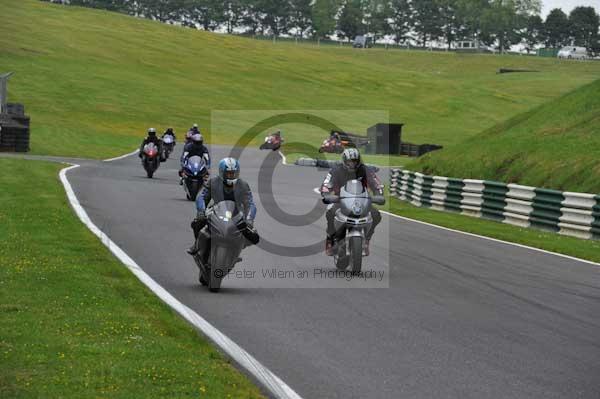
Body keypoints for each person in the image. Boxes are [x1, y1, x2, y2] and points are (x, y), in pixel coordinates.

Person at [187, 157, 259, 256]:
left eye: (233, 173)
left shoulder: (243, 185)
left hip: (236, 215)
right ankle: (196, 244)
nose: (231, 176)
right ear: (222, 172)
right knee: (197, 222)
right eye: (228, 173)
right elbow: (202, 197)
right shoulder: (213, 182)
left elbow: (250, 203)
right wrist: (201, 211)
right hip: (216, 211)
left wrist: (249, 219)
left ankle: (237, 248)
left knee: (254, 236)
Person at [320, 148, 384, 256]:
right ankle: (330, 239)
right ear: (344, 161)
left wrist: (379, 195)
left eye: (354, 161)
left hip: (362, 202)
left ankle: (367, 239)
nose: (352, 164)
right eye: (349, 161)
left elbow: (376, 184)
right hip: (341, 201)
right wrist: (326, 194)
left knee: (376, 215)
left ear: (358, 161)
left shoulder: (366, 170)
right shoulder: (336, 170)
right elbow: (326, 184)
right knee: (330, 211)